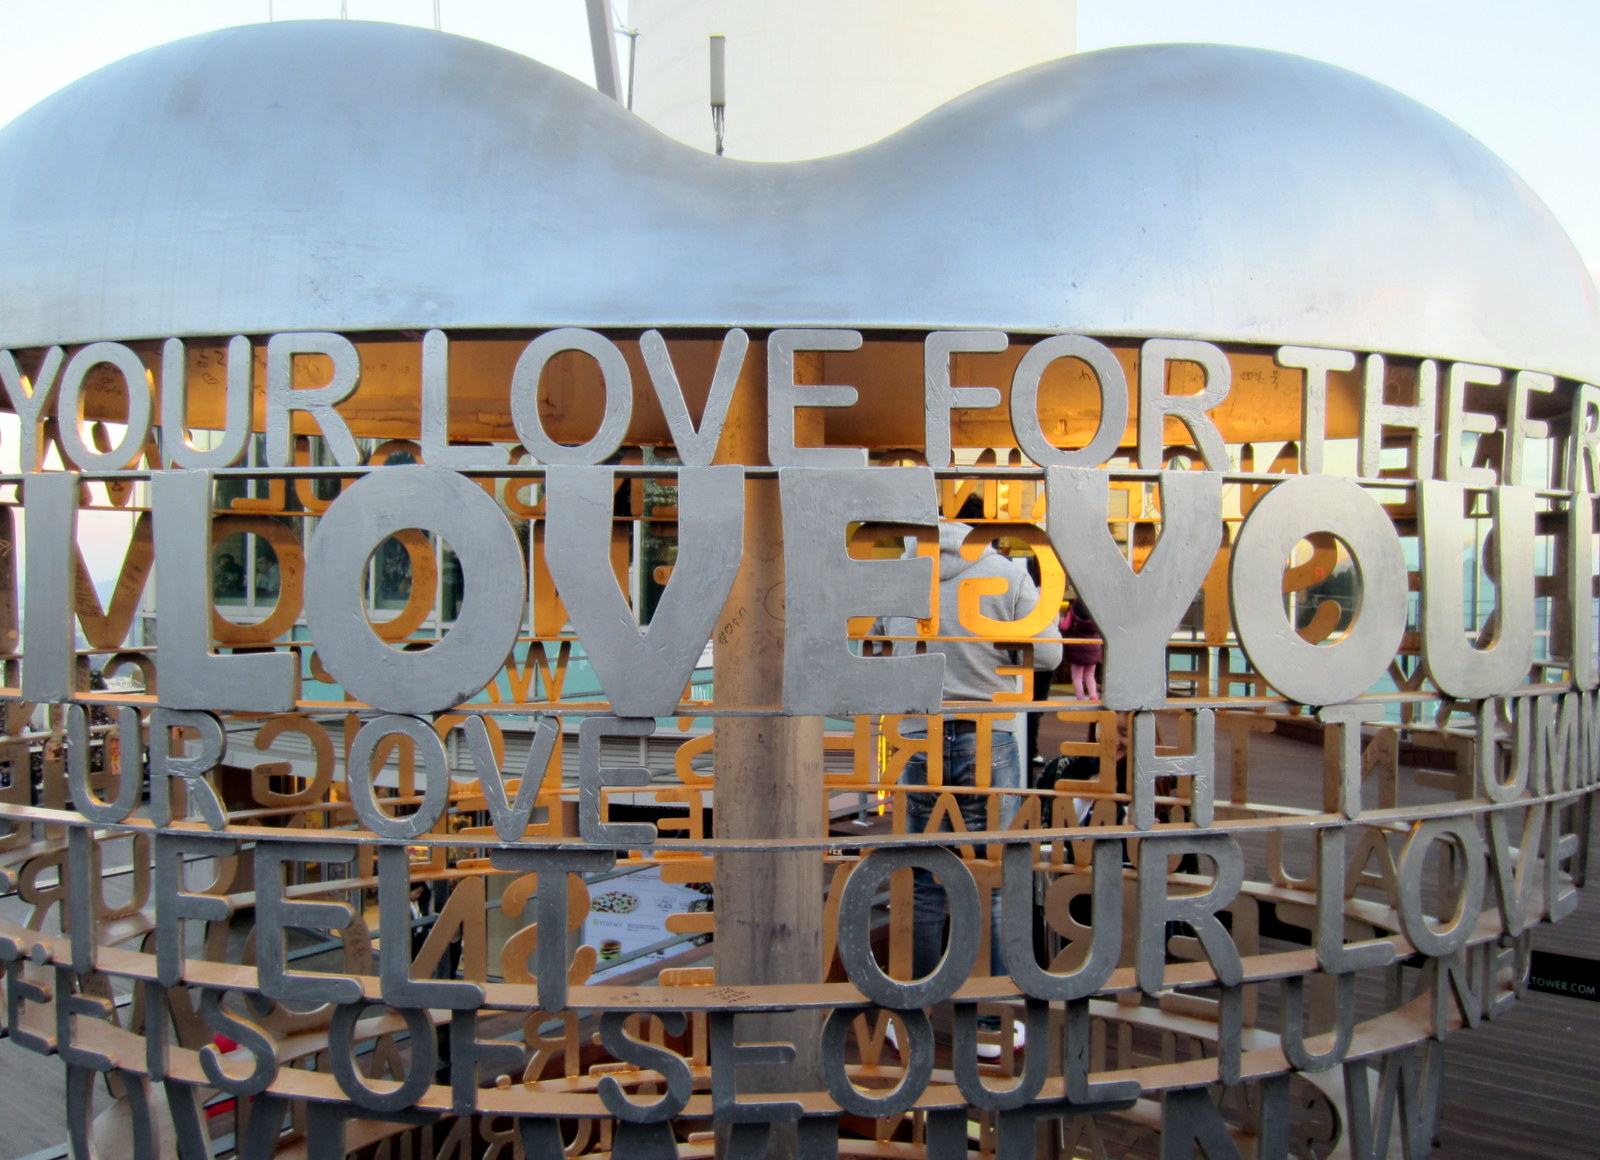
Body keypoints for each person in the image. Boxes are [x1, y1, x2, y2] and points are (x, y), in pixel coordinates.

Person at [879, 498, 1062, 1054]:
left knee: (921, 880)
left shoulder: (901, 576)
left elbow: (879, 645)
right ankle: (989, 1023)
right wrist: (995, 654)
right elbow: (1050, 656)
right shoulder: (1005, 572)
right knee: (992, 882)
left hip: (918, 734)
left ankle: (910, 1011)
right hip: (990, 735)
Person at [1060, 595, 1102, 702]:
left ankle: (1080, 700)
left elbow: (1065, 626)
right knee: (1090, 674)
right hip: (1093, 645)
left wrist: (1061, 620)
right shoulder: (1095, 609)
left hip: (1077, 645)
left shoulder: (1074, 608)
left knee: (1077, 676)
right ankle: (1093, 696)